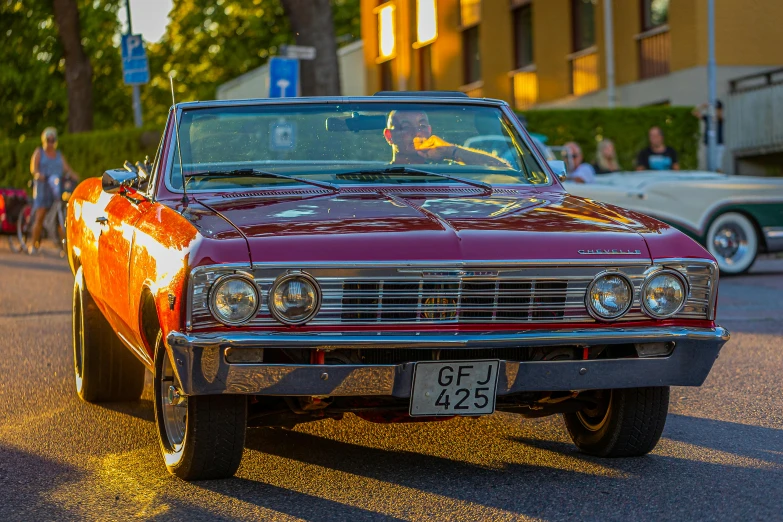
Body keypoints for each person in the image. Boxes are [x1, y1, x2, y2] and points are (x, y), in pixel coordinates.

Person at [383, 110, 510, 168]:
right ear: (389, 136)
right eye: (405, 127)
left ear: (430, 131)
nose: (417, 132)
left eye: (422, 126)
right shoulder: (375, 178)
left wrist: (450, 151)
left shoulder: (450, 173)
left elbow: (505, 170)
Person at [28, 127, 78, 254]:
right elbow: (34, 168)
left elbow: (67, 169)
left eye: (53, 140)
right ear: (44, 140)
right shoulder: (39, 152)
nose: (50, 142)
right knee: (40, 216)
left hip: (57, 187)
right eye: (48, 140)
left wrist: (75, 176)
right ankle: (33, 245)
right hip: (43, 186)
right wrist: (39, 175)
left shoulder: (59, 155)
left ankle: (64, 248)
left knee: (60, 217)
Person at [692, 100, 724, 171]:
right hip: (709, 144)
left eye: (717, 109)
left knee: (717, 165)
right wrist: (703, 106)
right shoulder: (708, 118)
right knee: (710, 164)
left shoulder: (720, 119)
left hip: (718, 144)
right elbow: (694, 112)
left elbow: (719, 116)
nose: (716, 111)